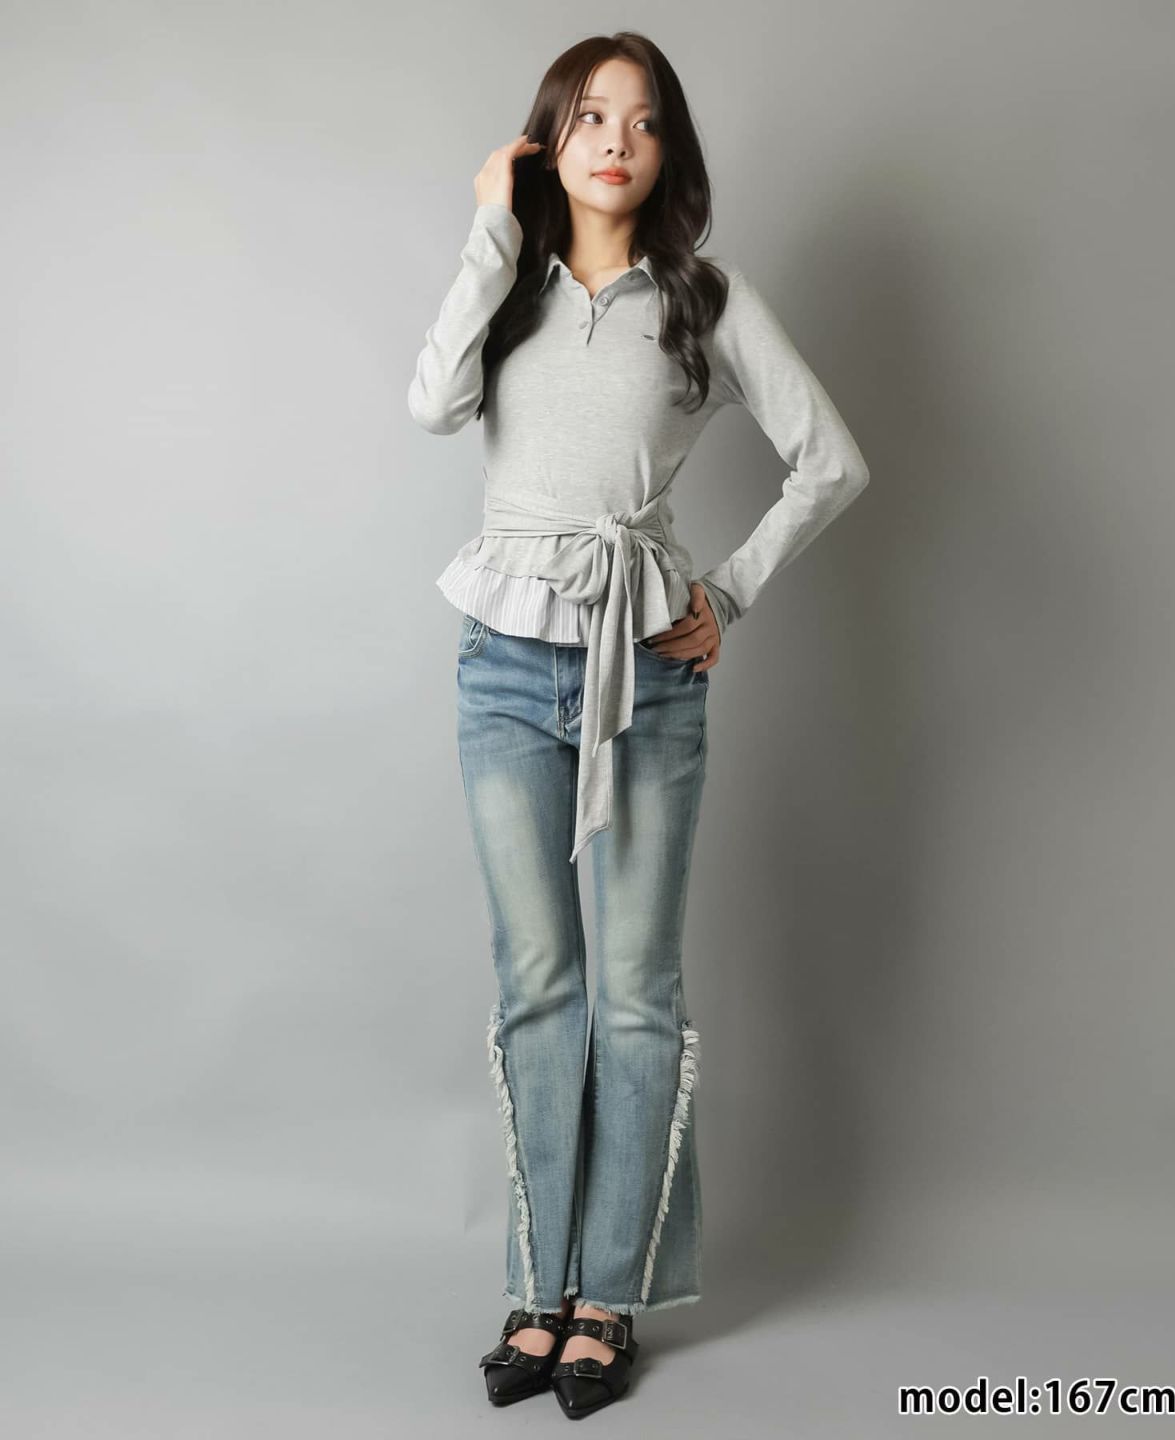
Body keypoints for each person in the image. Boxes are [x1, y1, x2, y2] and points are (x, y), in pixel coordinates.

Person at [408, 32, 870, 1421]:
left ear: (669, 152)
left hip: (648, 674)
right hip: (504, 670)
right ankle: (536, 1286)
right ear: (548, 140)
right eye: (591, 116)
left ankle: (606, 1294)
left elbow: (831, 460)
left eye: (645, 120)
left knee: (636, 989)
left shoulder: (702, 298)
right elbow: (431, 405)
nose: (617, 140)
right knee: (538, 983)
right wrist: (492, 225)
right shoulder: (507, 286)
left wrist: (727, 592)